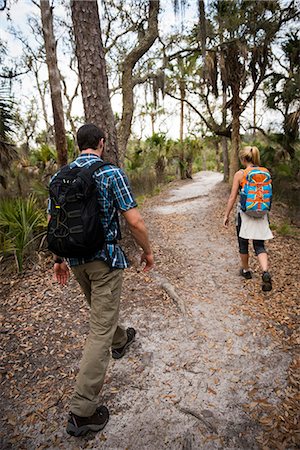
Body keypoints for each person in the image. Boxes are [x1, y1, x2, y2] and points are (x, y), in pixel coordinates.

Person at [48, 123, 154, 437]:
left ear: (78, 144)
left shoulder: (59, 177)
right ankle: (83, 412)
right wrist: (147, 252)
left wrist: (58, 259)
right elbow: (134, 220)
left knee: (101, 313)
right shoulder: (111, 173)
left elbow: (54, 222)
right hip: (104, 261)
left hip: (76, 261)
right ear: (102, 143)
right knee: (98, 329)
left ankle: (120, 340)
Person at [223, 146, 273, 292]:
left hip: (245, 214)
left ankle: (246, 271)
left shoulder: (240, 174)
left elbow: (233, 196)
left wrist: (226, 214)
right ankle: (265, 271)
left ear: (243, 159)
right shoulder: (265, 172)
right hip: (261, 213)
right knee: (259, 245)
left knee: (243, 243)